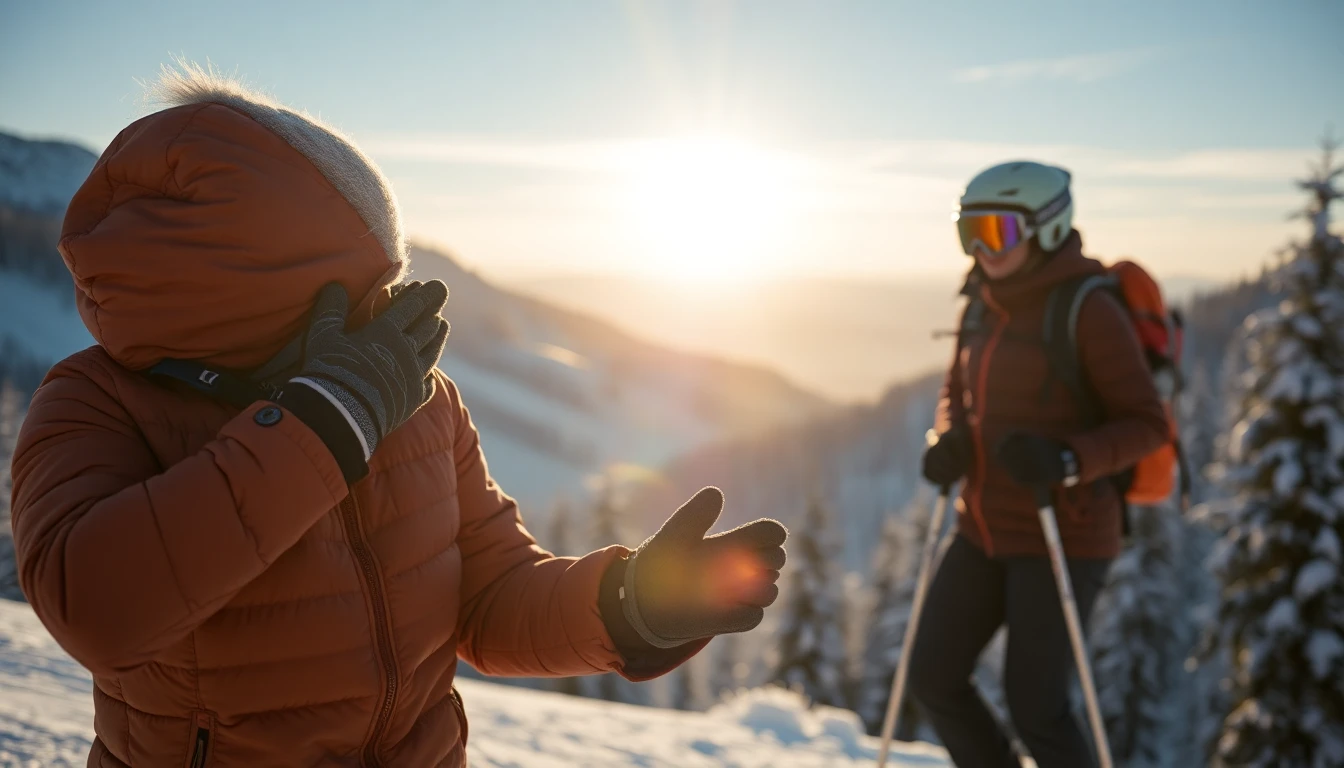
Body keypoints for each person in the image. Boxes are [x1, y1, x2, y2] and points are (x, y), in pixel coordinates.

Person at [9, 65, 787, 768]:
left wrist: (628, 604)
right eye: (359, 292)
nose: (385, 320)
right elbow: (98, 614)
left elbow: (487, 598)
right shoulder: (95, 403)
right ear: (250, 298)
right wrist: (319, 426)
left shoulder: (414, 402)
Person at [908, 161, 1168, 767]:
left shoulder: (1088, 309)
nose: (980, 248)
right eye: (967, 232)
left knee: (1037, 709)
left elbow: (1147, 423)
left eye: (996, 231)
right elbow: (958, 394)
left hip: (1065, 533)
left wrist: (1069, 459)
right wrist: (947, 439)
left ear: (1048, 227)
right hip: (982, 526)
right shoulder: (979, 301)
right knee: (933, 678)